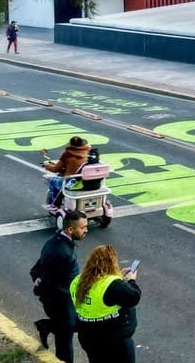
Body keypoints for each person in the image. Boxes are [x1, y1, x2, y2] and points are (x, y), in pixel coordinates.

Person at [30, 209, 88, 362]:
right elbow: (49, 281)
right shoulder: (61, 252)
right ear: (70, 230)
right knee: (64, 339)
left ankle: (46, 326)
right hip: (60, 301)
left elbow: (37, 268)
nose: (86, 230)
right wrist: (39, 286)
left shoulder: (55, 243)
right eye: (83, 227)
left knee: (75, 325)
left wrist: (37, 277)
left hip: (66, 299)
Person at [71, 244, 141, 363]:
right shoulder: (113, 285)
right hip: (114, 339)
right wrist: (131, 280)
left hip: (88, 337)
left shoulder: (77, 281)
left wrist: (118, 276)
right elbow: (134, 297)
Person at [43, 136, 91, 207]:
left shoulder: (67, 154)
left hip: (70, 182)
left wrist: (47, 166)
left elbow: (55, 169)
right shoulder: (88, 153)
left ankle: (53, 204)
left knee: (52, 180)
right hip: (85, 181)